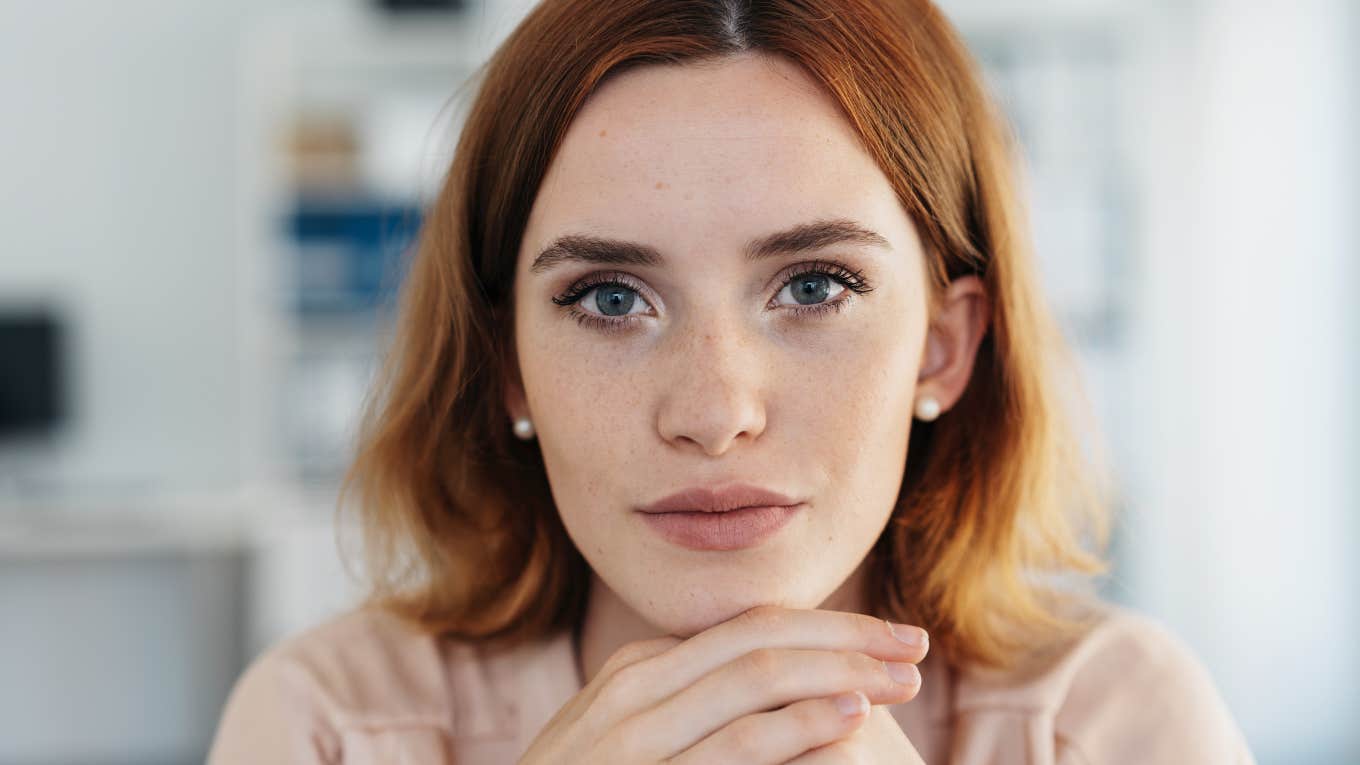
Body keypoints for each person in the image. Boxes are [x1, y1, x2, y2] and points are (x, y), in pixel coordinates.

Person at [208, 0, 1255, 762]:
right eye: (610, 298)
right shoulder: (327, 725)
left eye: (814, 285)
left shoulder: (1114, 721)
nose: (714, 414)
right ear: (507, 367)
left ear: (943, 348)